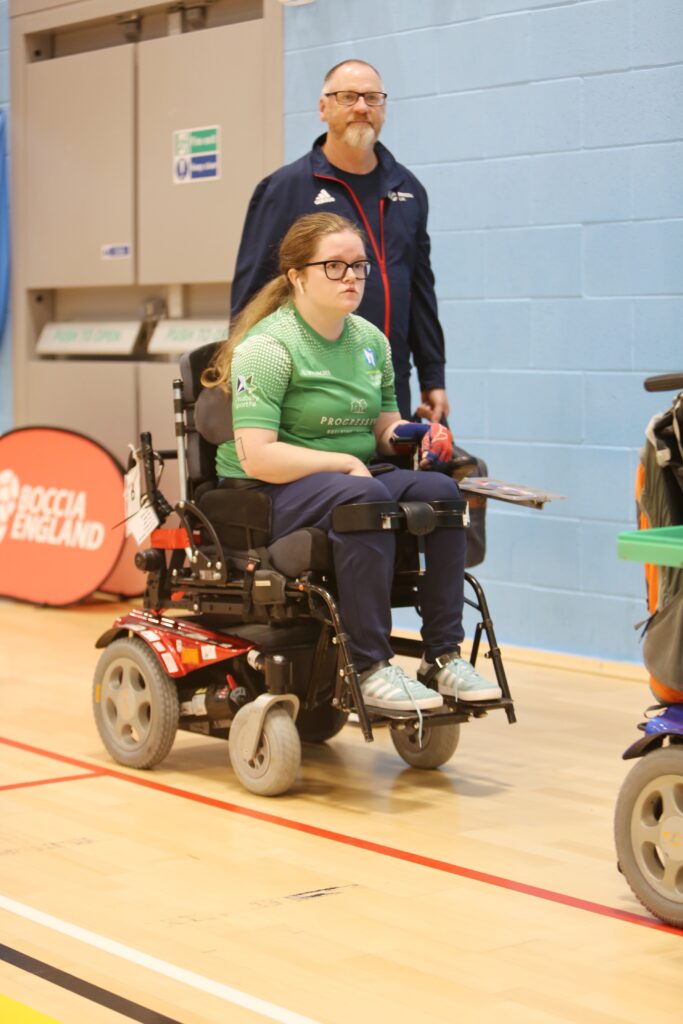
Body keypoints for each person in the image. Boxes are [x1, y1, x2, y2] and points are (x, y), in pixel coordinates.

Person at [204, 212, 501, 713]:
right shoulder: (268, 348)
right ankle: (370, 667)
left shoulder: (371, 342)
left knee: (443, 494)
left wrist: (416, 434)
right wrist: (342, 462)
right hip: (267, 487)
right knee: (364, 496)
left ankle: (442, 656)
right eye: (335, 267)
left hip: (348, 477)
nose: (352, 278)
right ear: (297, 276)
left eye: (359, 266)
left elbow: (384, 428)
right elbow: (257, 453)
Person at [230, 59, 449, 425]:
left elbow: (420, 291)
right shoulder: (285, 188)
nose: (362, 107)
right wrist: (243, 384)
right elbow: (252, 295)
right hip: (311, 387)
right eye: (347, 97)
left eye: (372, 98)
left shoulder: (408, 189)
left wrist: (433, 376)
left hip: (389, 381)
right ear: (322, 108)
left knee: (404, 479)